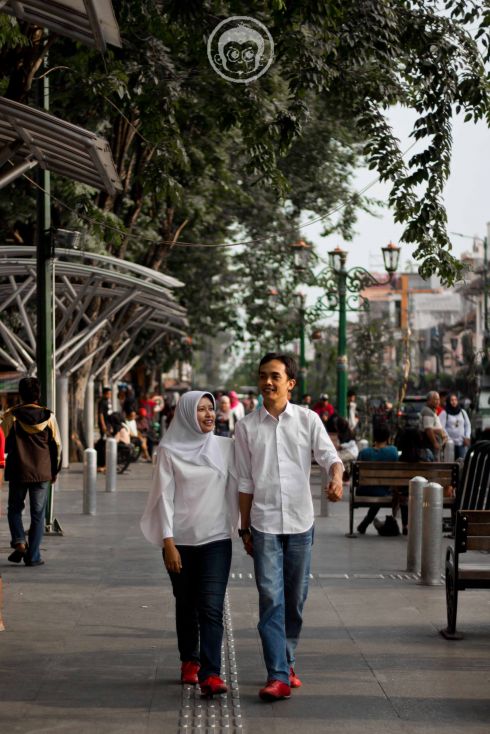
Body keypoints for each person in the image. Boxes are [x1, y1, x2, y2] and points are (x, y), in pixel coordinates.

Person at [235, 352, 343, 702]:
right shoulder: (246, 427)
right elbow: (245, 481)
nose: (268, 382)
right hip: (264, 524)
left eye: (275, 376)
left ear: (290, 383)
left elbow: (330, 457)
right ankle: (277, 674)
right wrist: (245, 528)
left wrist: (336, 479)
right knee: (270, 598)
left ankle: (288, 659)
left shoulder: (309, 420)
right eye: (263, 375)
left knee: (295, 600)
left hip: (300, 523)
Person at [140, 391, 238, 697]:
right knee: (186, 604)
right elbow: (164, 499)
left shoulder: (226, 447)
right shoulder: (168, 451)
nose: (209, 414)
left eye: (211, 409)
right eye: (201, 410)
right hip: (179, 542)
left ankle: (211, 673)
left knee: (210, 606)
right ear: (185, 414)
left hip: (216, 539)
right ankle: (189, 660)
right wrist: (168, 542)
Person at [1, 377, 62, 566]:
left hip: (18, 469)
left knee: (14, 509)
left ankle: (19, 541)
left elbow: (3, 441)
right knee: (38, 514)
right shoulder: (49, 416)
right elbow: (57, 447)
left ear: (21, 394)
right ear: (39, 394)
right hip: (42, 471)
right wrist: (55, 470)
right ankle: (33, 556)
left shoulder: (11, 416)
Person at [356, 425, 399, 534]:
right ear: (388, 438)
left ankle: (365, 523)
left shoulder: (364, 453)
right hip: (383, 491)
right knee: (380, 492)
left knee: (378, 490)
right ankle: (365, 523)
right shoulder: (393, 451)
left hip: (363, 490)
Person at [439, 392, 471, 460]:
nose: (454, 402)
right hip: (450, 444)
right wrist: (448, 438)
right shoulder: (444, 413)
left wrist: (467, 436)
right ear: (448, 401)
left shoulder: (462, 412)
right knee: (450, 462)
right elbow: (441, 427)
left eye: (455, 400)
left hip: (461, 442)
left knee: (462, 462)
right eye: (452, 400)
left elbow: (467, 425)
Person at [419, 391, 448, 460]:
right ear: (429, 401)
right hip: (430, 445)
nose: (438, 401)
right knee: (433, 465)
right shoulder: (427, 411)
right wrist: (435, 443)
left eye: (438, 399)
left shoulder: (432, 411)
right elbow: (428, 429)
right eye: (435, 399)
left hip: (436, 445)